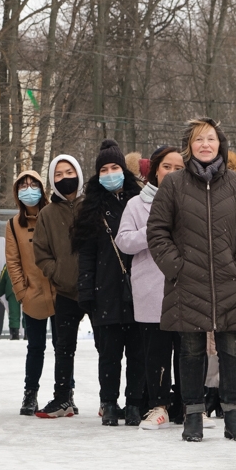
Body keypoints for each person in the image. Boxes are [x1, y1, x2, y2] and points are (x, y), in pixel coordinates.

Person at [148, 119, 236, 443]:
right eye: (199, 140)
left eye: (211, 138)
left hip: (229, 281)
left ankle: (233, 415)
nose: (205, 145)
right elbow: (157, 232)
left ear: (220, 143)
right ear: (189, 146)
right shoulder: (174, 184)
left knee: (230, 349)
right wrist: (177, 268)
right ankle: (193, 415)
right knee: (191, 349)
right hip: (188, 281)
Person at [74, 139, 144, 426]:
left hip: (138, 289)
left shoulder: (138, 202)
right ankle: (109, 402)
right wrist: (87, 293)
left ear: (124, 171)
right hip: (105, 291)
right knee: (109, 354)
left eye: (115, 167)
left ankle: (135, 403)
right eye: (104, 169)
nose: (110, 173)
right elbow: (86, 256)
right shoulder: (90, 209)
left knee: (138, 352)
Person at [116, 145, 184, 429]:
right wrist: (152, 231)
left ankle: (188, 406)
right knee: (155, 355)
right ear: (155, 169)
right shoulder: (136, 204)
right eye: (167, 166)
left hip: (185, 289)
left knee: (186, 353)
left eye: (179, 168)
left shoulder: (192, 201)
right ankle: (159, 406)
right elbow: (124, 241)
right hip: (150, 290)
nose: (172, 173)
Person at [33, 154, 86, 418]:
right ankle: (62, 398)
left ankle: (108, 400)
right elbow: (41, 253)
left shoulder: (92, 206)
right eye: (58, 174)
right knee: (64, 347)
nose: (65, 178)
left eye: (69, 172)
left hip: (95, 289)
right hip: (65, 291)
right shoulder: (47, 214)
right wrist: (56, 273)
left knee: (108, 348)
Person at [5, 170, 57, 415]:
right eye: (23, 186)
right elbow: (13, 262)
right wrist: (22, 293)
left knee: (63, 347)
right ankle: (30, 394)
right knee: (35, 347)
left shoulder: (54, 215)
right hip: (33, 294)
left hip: (60, 293)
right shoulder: (14, 225)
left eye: (33, 184)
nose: (29, 190)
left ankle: (65, 393)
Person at [0, 264, 22, 339]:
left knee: (14, 312)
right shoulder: (26, 261)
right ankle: (27, 333)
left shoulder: (8, 265)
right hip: (26, 288)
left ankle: (14, 334)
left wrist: (0, 292)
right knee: (27, 312)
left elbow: (2, 280)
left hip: (12, 289)